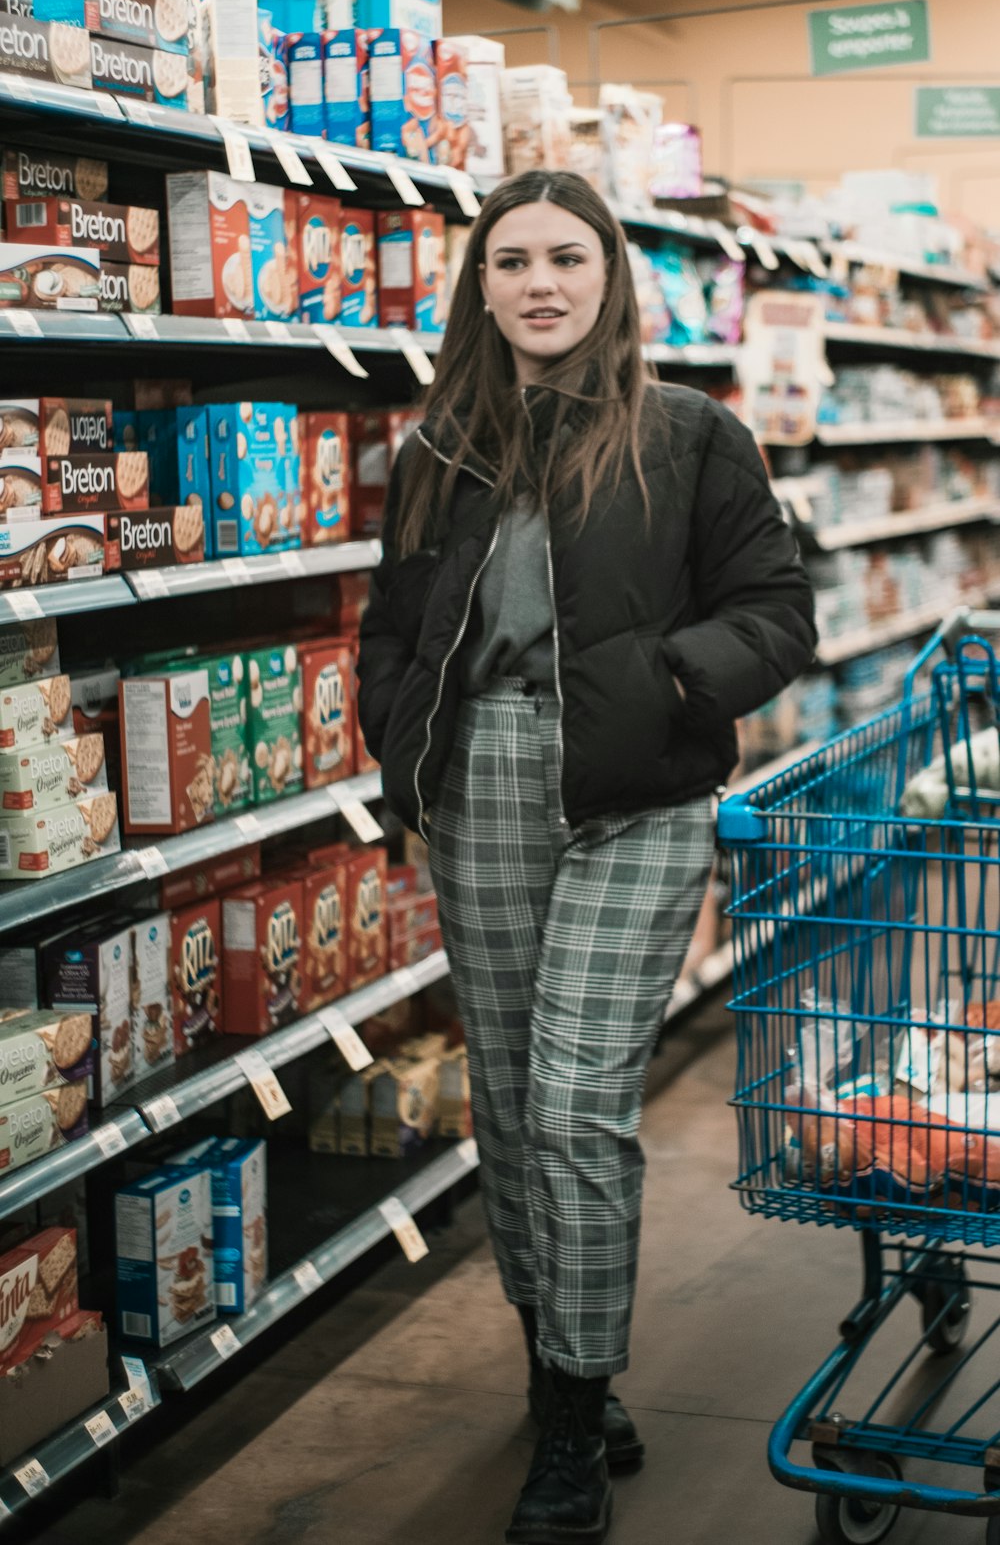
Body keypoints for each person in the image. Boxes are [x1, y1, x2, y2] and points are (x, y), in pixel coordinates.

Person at [357, 169, 816, 1545]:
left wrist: (675, 684)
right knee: (504, 1102)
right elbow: (393, 624)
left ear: (612, 276)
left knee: (571, 1104)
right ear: (480, 286)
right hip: (484, 791)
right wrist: (396, 725)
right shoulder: (438, 449)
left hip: (634, 793)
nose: (541, 283)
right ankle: (563, 1366)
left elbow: (775, 612)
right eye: (513, 263)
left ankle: (570, 1416)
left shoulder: (688, 435)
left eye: (568, 257)